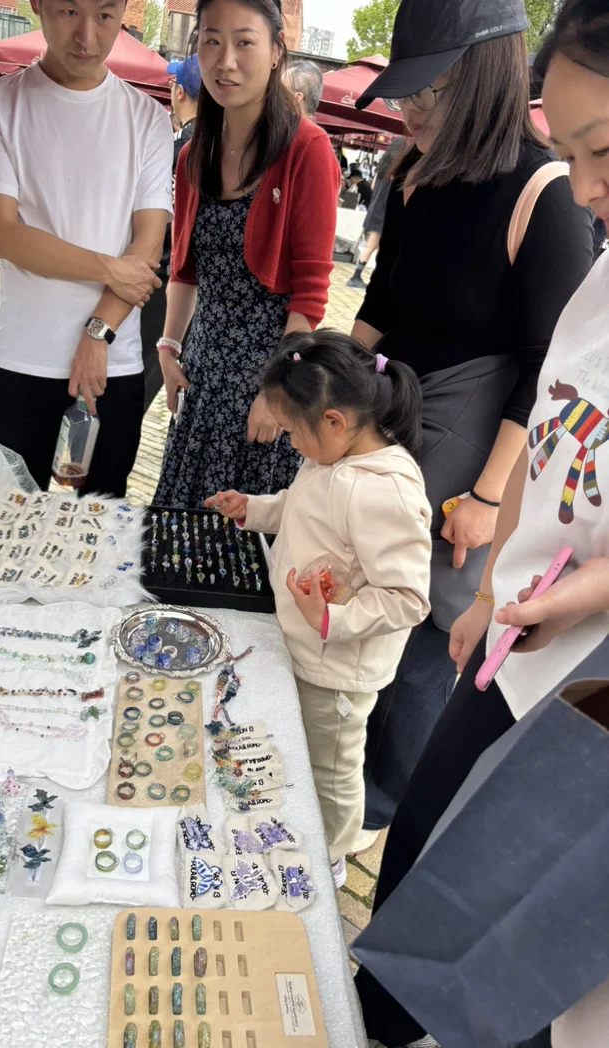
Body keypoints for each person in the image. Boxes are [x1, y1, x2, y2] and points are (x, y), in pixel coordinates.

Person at [356, 3, 609, 1046]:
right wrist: (501, 580)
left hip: (578, 672)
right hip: (518, 625)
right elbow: (554, 425)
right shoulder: (596, 272)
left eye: (602, 153)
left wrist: (562, 582)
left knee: (515, 948)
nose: (586, 188)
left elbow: (522, 398)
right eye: (575, 152)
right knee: (420, 871)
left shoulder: (541, 202)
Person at [209, 330, 431, 885]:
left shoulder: (383, 491)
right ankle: (302, 819)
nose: (290, 444)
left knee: (332, 769)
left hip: (338, 670)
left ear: (333, 420)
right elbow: (299, 507)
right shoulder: (332, 457)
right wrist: (252, 509)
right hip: (307, 645)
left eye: (291, 432)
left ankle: (332, 853)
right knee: (304, 746)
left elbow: (407, 597)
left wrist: (334, 619)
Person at [0, 0, 172, 496]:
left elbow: (147, 245)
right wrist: (110, 268)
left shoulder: (147, 118)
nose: (87, 37)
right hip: (22, 356)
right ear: (38, 4)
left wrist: (97, 334)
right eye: (68, 12)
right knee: (9, 516)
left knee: (101, 521)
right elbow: (5, 235)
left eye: (105, 16)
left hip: (114, 361)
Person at [153, 0, 340, 510]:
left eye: (244, 42)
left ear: (277, 50)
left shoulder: (306, 149)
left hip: (265, 384)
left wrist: (280, 393)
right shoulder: (194, 154)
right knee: (183, 526)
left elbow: (311, 294)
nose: (226, 60)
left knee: (242, 534)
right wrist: (169, 347)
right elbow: (184, 270)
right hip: (200, 376)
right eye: (211, 41)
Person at [140, 53, 202, 413]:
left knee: (141, 381)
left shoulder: (178, 150)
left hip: (164, 278)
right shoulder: (227, 151)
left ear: (179, 92)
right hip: (201, 291)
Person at [346, 137, 402, 290]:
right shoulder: (397, 170)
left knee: (376, 246)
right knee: (375, 246)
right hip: (385, 211)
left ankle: (371, 277)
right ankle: (357, 277)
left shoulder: (381, 168)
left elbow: (371, 186)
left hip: (375, 208)